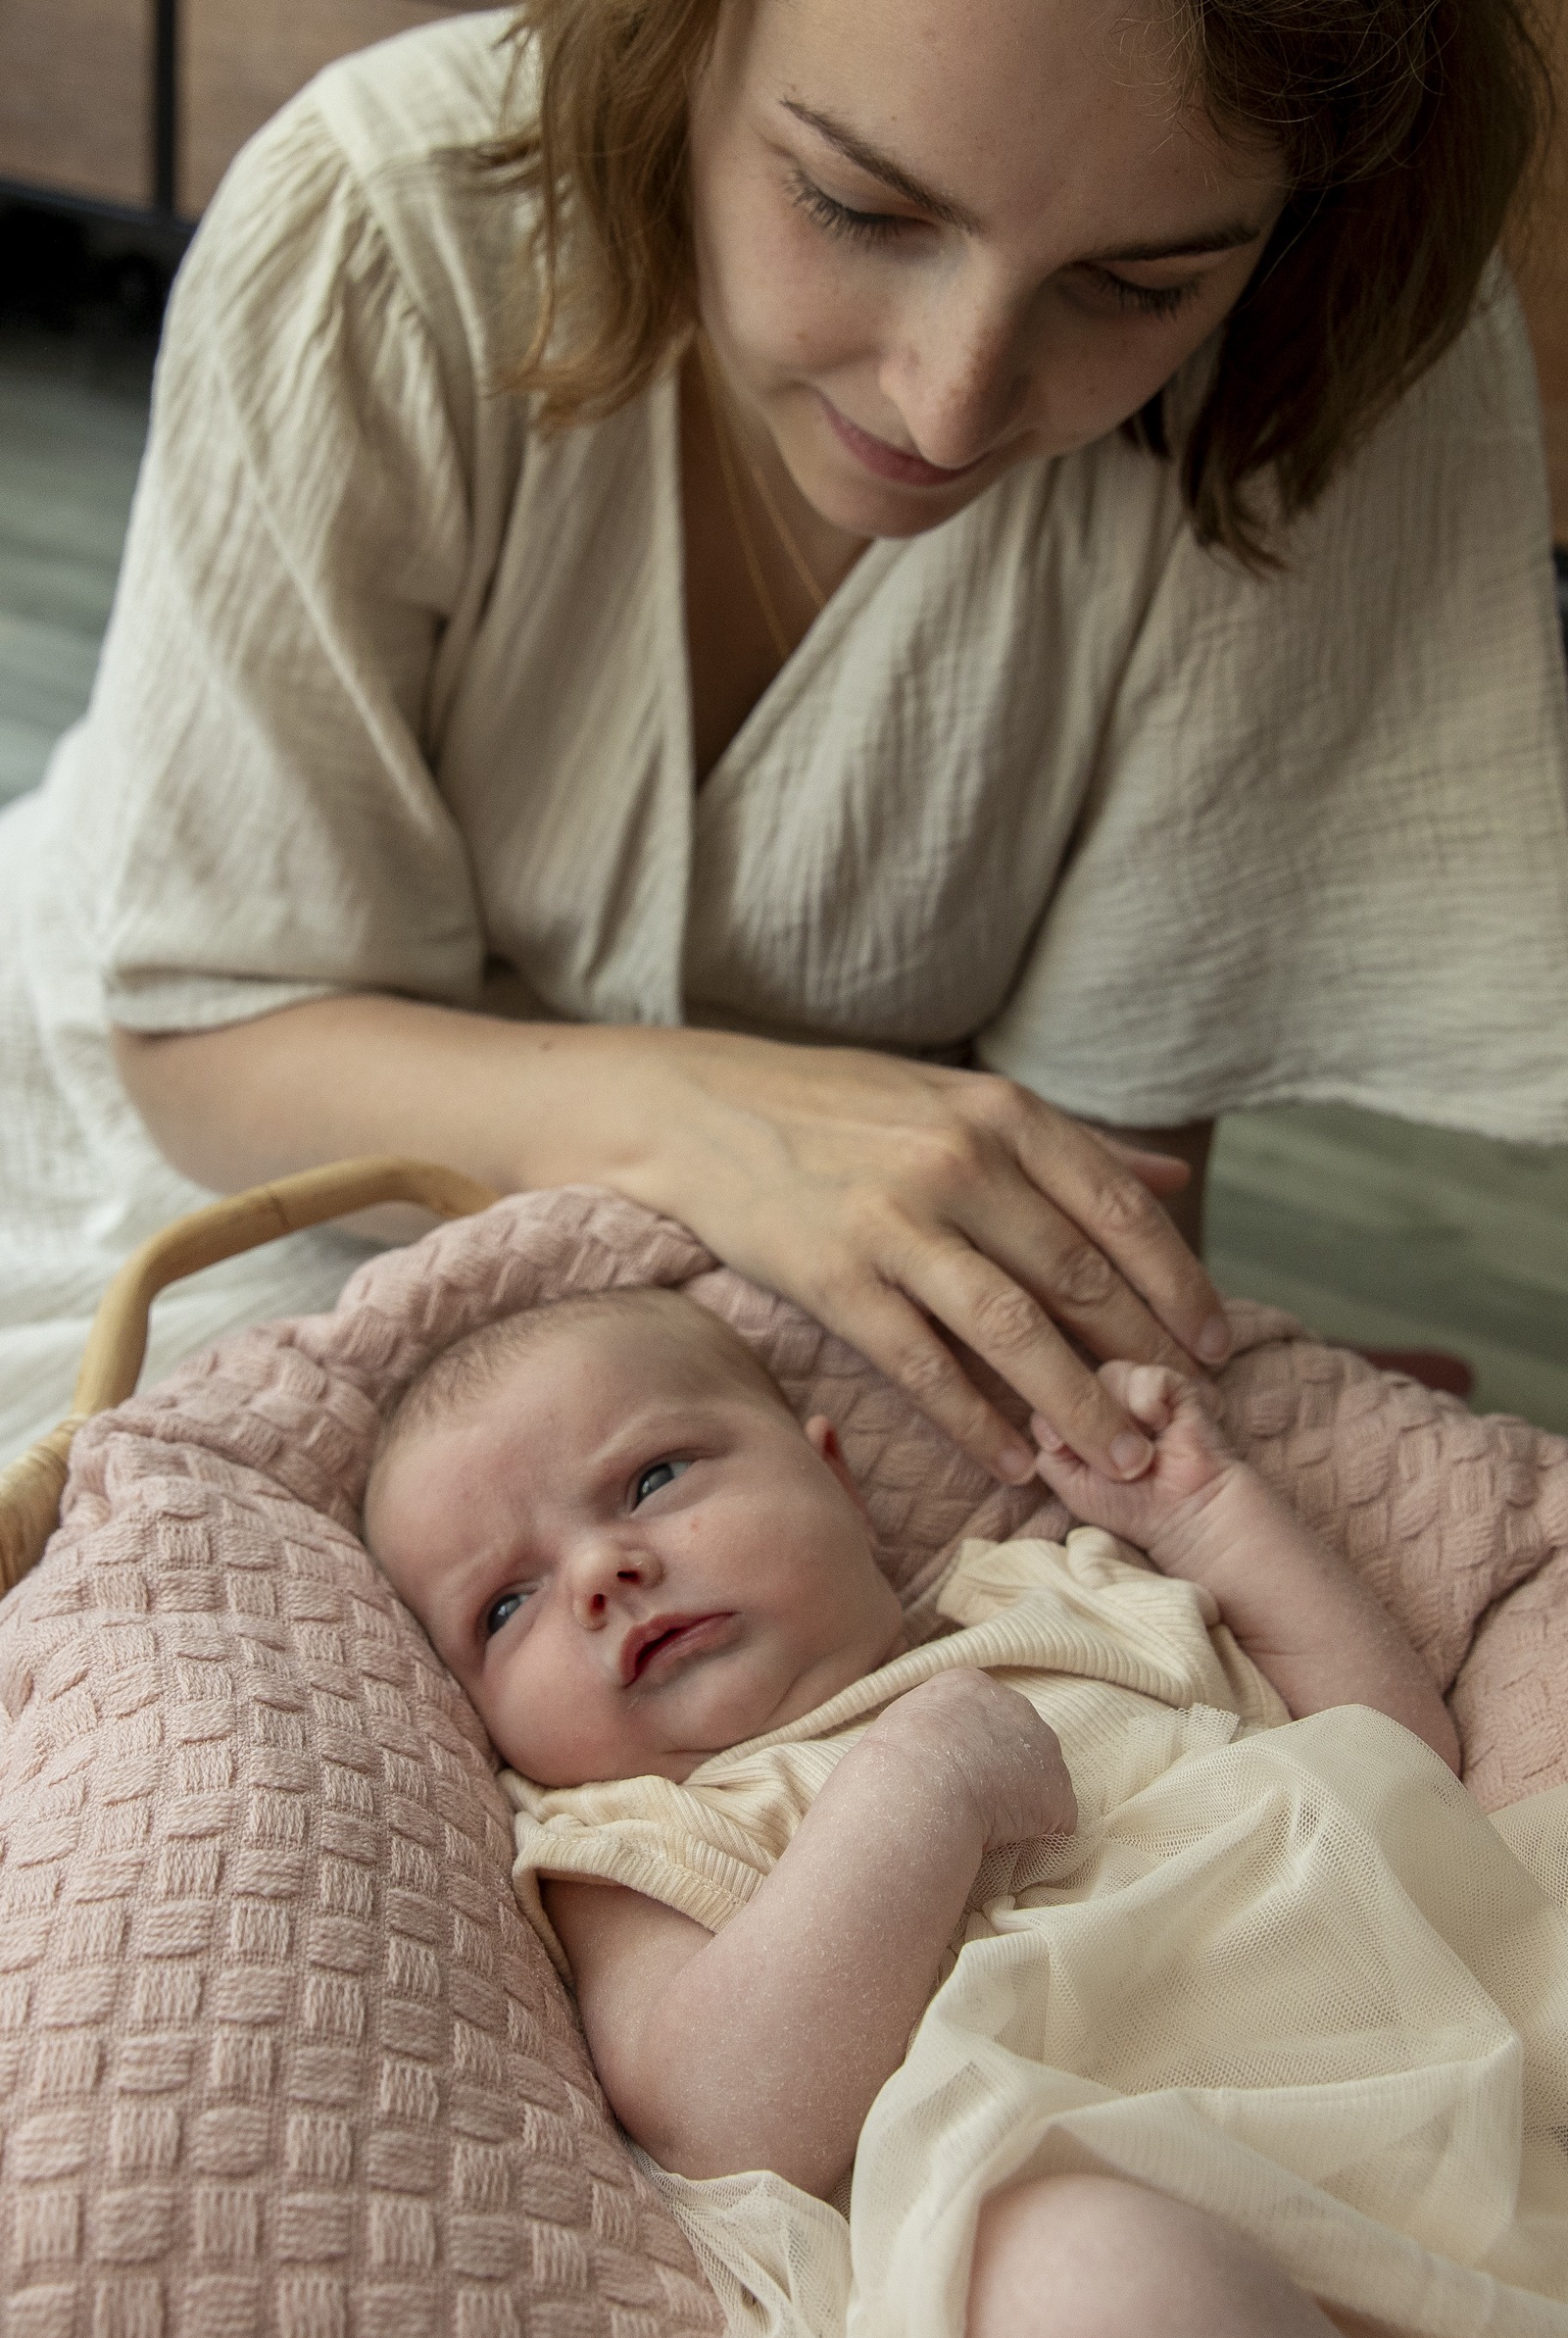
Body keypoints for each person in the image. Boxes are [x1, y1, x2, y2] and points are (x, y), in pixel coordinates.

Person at [1, 0, 1566, 1481]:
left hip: (821, 1279)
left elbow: (1094, 1181)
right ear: (678, 32)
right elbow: (210, 1036)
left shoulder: (1321, 359)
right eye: (857, 207)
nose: (949, 408)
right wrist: (702, 1126)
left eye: (1140, 286)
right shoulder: (378, 236)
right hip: (189, 1162)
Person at [360, 1285, 1568, 2338]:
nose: (598, 1572)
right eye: (505, 1605)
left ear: (831, 1477)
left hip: (1477, 2103)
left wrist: (1208, 1522)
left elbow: (1393, 1753)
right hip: (1151, 2243)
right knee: (1067, 2273)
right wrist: (915, 1789)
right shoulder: (635, 1835)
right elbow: (721, 2123)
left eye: (652, 1480)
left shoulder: (1052, 1598)